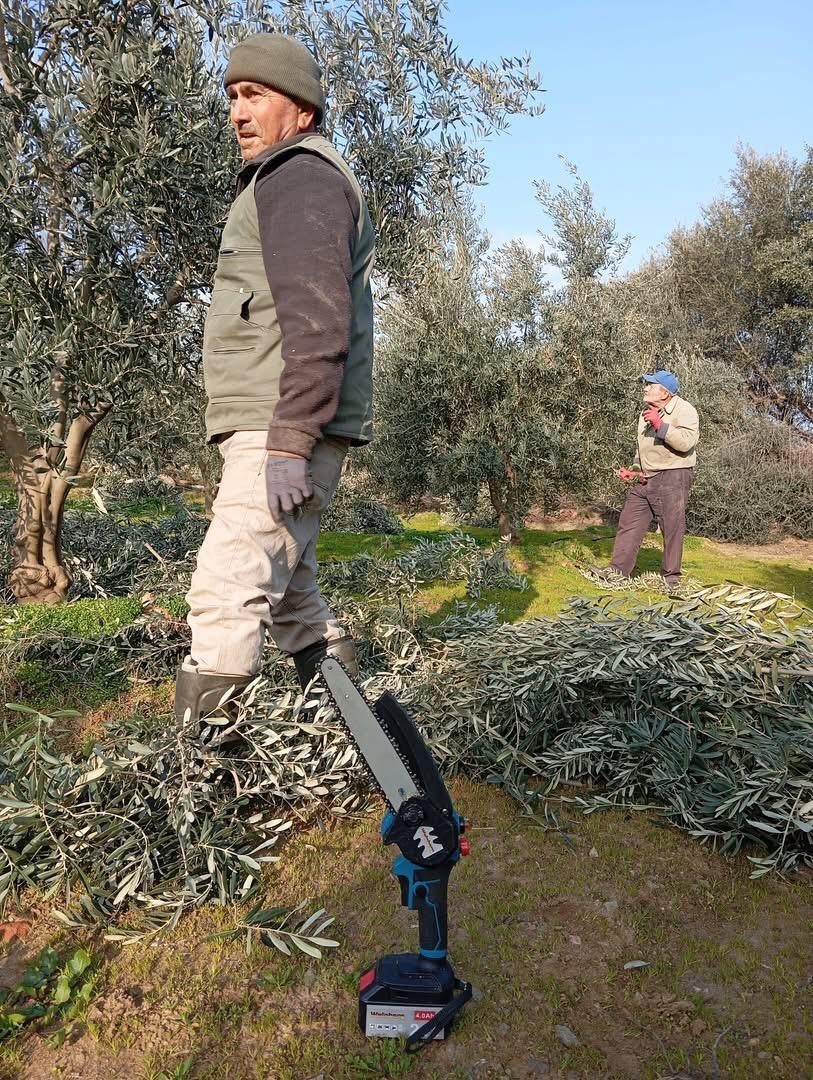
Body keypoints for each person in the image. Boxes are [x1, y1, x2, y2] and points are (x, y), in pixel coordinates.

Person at [173, 33, 375, 731]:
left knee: (226, 591)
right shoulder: (286, 179)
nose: (237, 111)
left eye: (255, 94)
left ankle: (196, 786)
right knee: (292, 602)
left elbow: (319, 321)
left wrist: (289, 441)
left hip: (280, 429)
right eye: (231, 96)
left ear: (304, 112)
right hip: (275, 426)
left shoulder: (299, 178)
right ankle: (353, 742)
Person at [595, 370, 699, 589]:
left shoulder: (685, 410)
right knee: (629, 522)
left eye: (650, 385)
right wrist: (634, 469)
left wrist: (662, 426)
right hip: (646, 477)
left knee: (672, 527)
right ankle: (616, 572)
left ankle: (671, 579)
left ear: (665, 392)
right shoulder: (646, 413)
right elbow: (641, 447)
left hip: (673, 475)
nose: (645, 388)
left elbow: (686, 443)